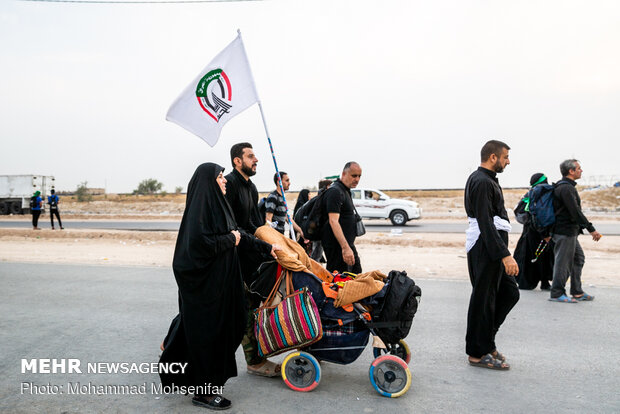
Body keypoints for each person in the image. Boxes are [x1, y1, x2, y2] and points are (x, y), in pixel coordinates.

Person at [158, 163, 275, 410]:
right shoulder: (200, 212)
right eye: (220, 177)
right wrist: (229, 239)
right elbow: (199, 245)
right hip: (206, 290)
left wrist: (267, 249)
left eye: (223, 176)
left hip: (223, 286)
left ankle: (186, 357)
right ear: (208, 183)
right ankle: (204, 392)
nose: (224, 181)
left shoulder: (221, 208)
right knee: (208, 337)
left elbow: (239, 235)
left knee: (230, 327)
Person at [224, 142, 282, 378]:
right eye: (250, 156)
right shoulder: (229, 185)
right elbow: (234, 227)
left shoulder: (252, 187)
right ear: (237, 161)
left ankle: (172, 343)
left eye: (255, 156)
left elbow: (255, 225)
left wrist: (275, 242)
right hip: (232, 260)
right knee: (240, 311)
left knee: (248, 309)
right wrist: (264, 246)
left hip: (250, 259)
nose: (255, 159)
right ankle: (254, 361)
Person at [464, 140, 520, 370]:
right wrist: (505, 255)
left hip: (491, 246)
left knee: (509, 293)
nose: (508, 161)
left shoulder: (488, 181)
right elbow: (485, 222)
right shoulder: (481, 182)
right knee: (483, 300)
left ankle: (486, 341)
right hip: (485, 247)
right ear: (493, 157)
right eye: (505, 156)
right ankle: (477, 353)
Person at [549, 159, 602, 303]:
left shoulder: (565, 187)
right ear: (571, 171)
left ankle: (577, 291)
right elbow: (575, 212)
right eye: (579, 168)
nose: (581, 170)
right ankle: (556, 293)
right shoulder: (566, 188)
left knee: (578, 259)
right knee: (563, 263)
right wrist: (591, 229)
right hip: (564, 232)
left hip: (569, 232)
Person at [321, 162, 363, 273]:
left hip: (347, 245)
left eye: (359, 176)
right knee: (339, 282)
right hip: (337, 247)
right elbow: (333, 221)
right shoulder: (335, 191)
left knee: (356, 275)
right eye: (354, 176)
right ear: (344, 174)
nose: (357, 179)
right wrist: (345, 248)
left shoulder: (345, 190)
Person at [514, 173, 554, 290]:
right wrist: (545, 233)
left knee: (527, 256)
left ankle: (526, 282)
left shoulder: (531, 192)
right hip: (543, 230)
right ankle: (545, 282)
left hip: (530, 230)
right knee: (544, 256)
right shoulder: (545, 192)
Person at [264, 171, 304, 239]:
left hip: (281, 236)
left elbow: (287, 218)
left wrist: (300, 231)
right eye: (287, 180)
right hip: (275, 237)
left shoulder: (282, 198)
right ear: (278, 182)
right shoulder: (273, 197)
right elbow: (268, 220)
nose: (289, 183)